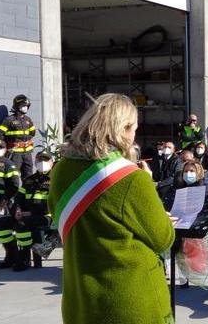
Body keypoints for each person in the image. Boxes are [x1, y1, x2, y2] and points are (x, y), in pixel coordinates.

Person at [47, 93, 175, 324]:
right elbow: (163, 238)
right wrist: (151, 191)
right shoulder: (132, 179)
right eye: (134, 128)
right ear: (124, 128)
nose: (135, 134)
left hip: (81, 299)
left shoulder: (60, 170)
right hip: (128, 300)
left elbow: (58, 214)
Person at [0, 150, 54, 271]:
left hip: (46, 216)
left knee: (21, 225)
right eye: (39, 160)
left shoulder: (55, 180)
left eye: (45, 160)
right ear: (35, 162)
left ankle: (24, 259)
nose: (42, 162)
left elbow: (53, 203)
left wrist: (31, 213)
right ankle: (12, 256)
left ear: (52, 162)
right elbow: (18, 198)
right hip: (25, 214)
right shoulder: (29, 180)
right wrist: (17, 210)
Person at [0, 94, 37, 177]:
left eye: (26, 106)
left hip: (27, 153)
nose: (25, 107)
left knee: (29, 175)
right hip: (14, 153)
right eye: (23, 105)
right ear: (17, 106)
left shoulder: (28, 120)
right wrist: (2, 149)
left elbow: (32, 133)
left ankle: (27, 190)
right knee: (13, 174)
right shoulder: (9, 120)